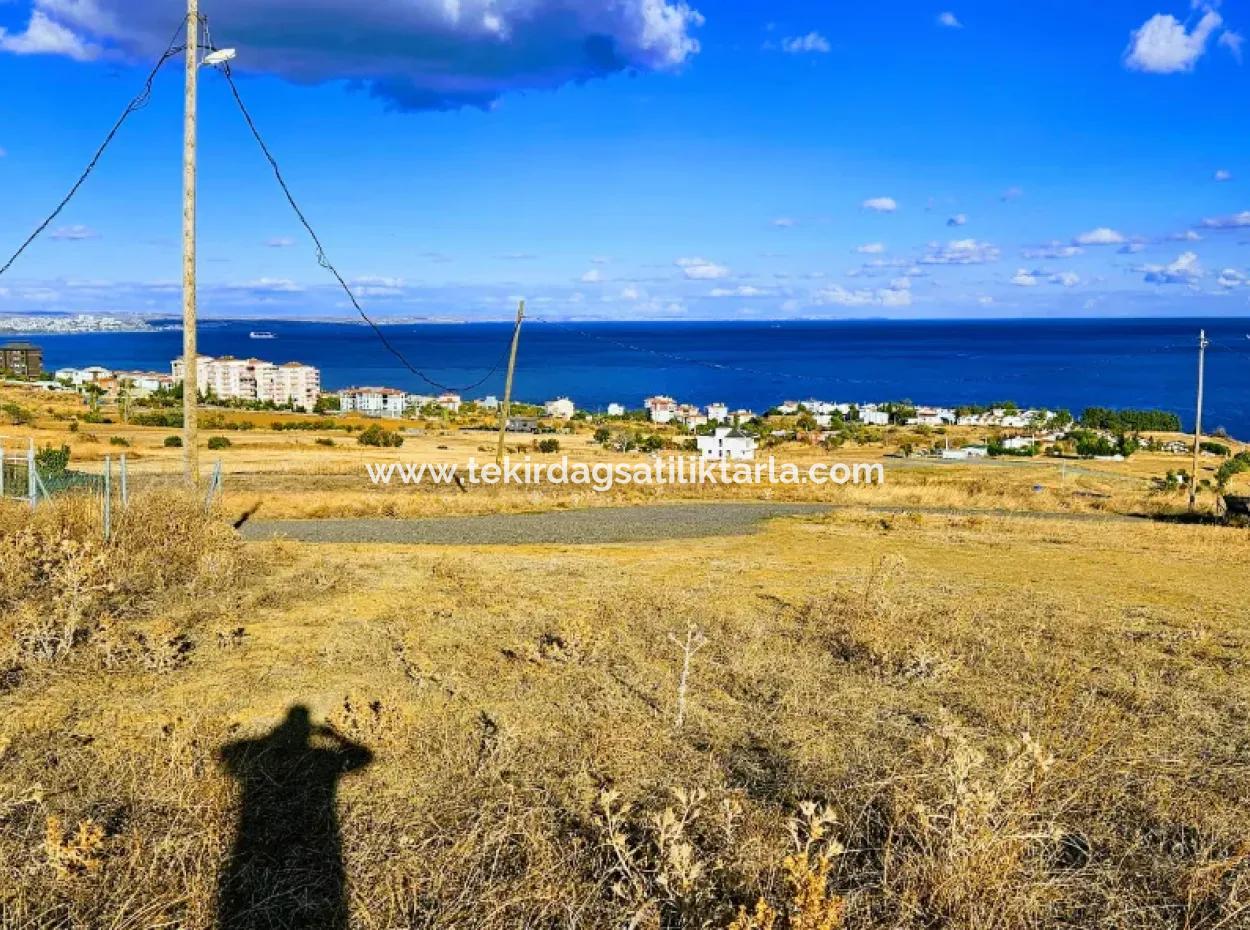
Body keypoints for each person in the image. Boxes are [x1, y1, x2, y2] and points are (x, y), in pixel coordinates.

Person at [217, 706, 372, 930]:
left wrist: (265, 739)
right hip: (317, 843)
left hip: (260, 839)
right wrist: (334, 736)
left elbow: (225, 754)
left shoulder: (305, 757)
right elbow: (364, 756)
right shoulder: (323, 756)